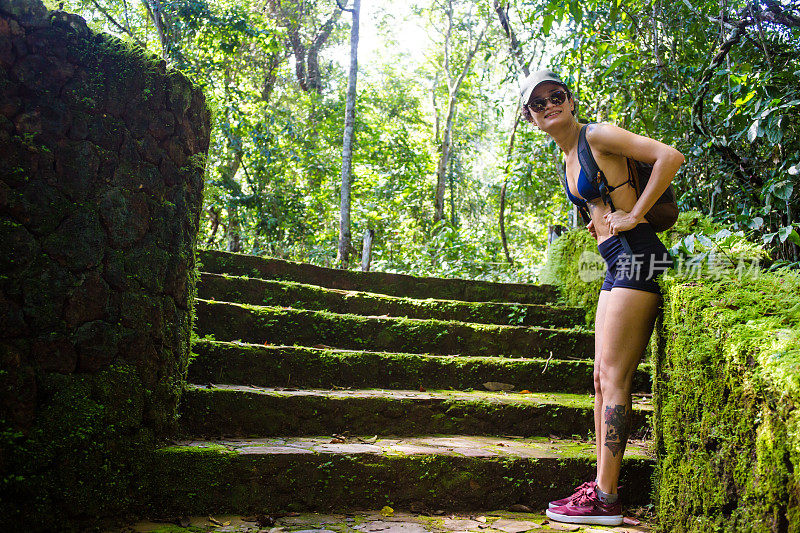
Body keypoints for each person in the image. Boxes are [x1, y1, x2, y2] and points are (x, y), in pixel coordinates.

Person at [519, 69, 684, 526]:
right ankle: (601, 486)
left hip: (639, 258)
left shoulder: (597, 135)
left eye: (556, 96)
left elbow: (669, 156)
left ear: (570, 102)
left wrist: (635, 214)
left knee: (614, 378)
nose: (549, 104)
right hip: (616, 263)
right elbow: (600, 198)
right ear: (531, 119)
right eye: (538, 103)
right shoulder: (568, 157)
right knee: (599, 378)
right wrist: (600, 219)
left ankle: (607, 500)